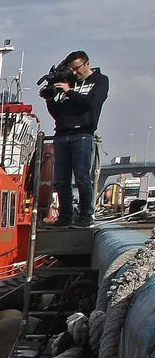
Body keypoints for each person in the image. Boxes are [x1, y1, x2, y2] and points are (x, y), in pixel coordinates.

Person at [40, 50, 109, 227]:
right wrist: (50, 100)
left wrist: (69, 91)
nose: (74, 73)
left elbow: (91, 102)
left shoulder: (100, 81)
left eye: (77, 69)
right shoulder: (69, 83)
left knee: (81, 177)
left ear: (87, 63)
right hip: (62, 134)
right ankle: (65, 217)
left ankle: (86, 215)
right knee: (61, 180)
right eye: (71, 69)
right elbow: (58, 114)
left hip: (83, 134)